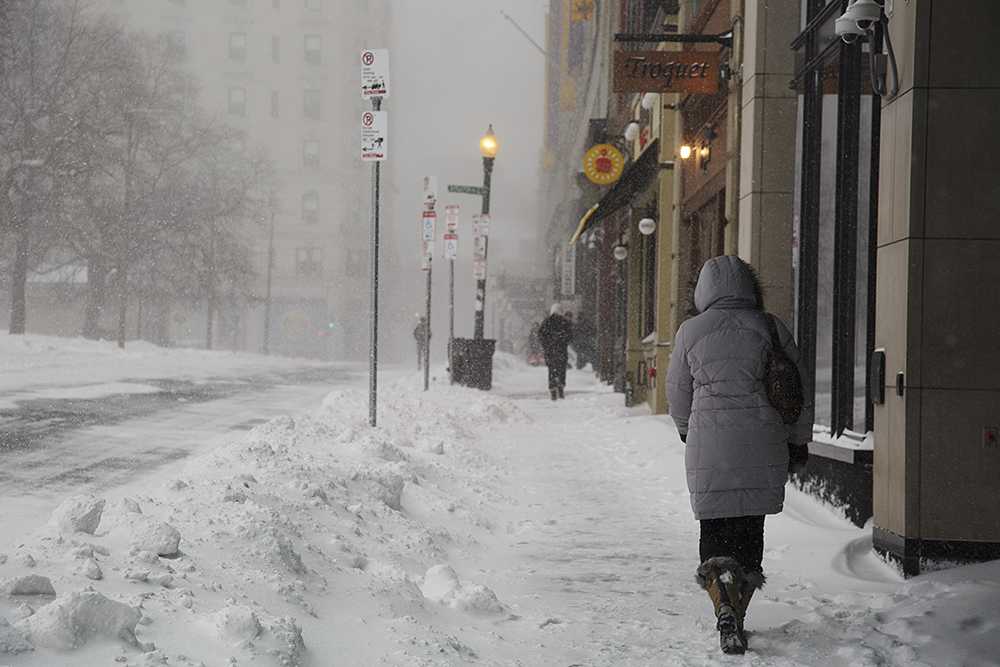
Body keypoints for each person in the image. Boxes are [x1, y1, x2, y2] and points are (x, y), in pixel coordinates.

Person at [666, 255, 812, 655]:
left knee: (714, 528)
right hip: (763, 441)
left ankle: (721, 603)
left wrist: (686, 429)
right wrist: (798, 441)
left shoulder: (690, 331)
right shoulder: (770, 326)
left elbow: (678, 395)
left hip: (710, 445)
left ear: (703, 291)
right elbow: (798, 392)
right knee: (750, 528)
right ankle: (740, 610)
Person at [537, 303, 573, 400]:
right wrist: (563, 341)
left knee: (552, 369)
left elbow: (540, 334)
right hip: (561, 350)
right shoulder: (565, 322)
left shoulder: (546, 321)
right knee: (561, 369)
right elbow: (570, 335)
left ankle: (552, 388)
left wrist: (546, 344)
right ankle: (561, 386)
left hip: (550, 350)